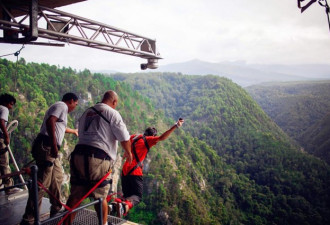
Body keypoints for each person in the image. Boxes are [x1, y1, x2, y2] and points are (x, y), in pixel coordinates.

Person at [63, 90, 132, 225]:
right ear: (114, 102)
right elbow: (125, 138)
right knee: (101, 197)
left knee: (76, 196)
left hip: (78, 156)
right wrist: (128, 153)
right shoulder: (112, 113)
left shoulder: (86, 112)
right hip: (98, 159)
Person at [20, 93, 79, 225]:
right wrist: (53, 144)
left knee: (57, 178)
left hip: (51, 150)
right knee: (42, 183)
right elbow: (50, 121)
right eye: (76, 104)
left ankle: (56, 208)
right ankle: (29, 218)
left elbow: (60, 128)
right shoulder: (62, 106)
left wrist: (73, 131)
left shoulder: (61, 109)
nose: (75, 106)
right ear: (71, 101)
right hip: (47, 147)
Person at [111, 118, 184, 217]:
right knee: (137, 197)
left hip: (125, 171)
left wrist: (126, 154)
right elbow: (162, 137)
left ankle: (114, 206)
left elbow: (125, 143)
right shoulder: (148, 140)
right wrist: (176, 126)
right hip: (134, 172)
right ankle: (123, 207)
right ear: (152, 135)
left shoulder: (134, 137)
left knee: (127, 196)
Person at [0, 93, 19, 194]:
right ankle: (9, 188)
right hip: (0, 139)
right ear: (6, 102)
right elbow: (2, 121)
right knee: (4, 163)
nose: (11, 107)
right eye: (11, 104)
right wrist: (6, 136)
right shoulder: (4, 109)